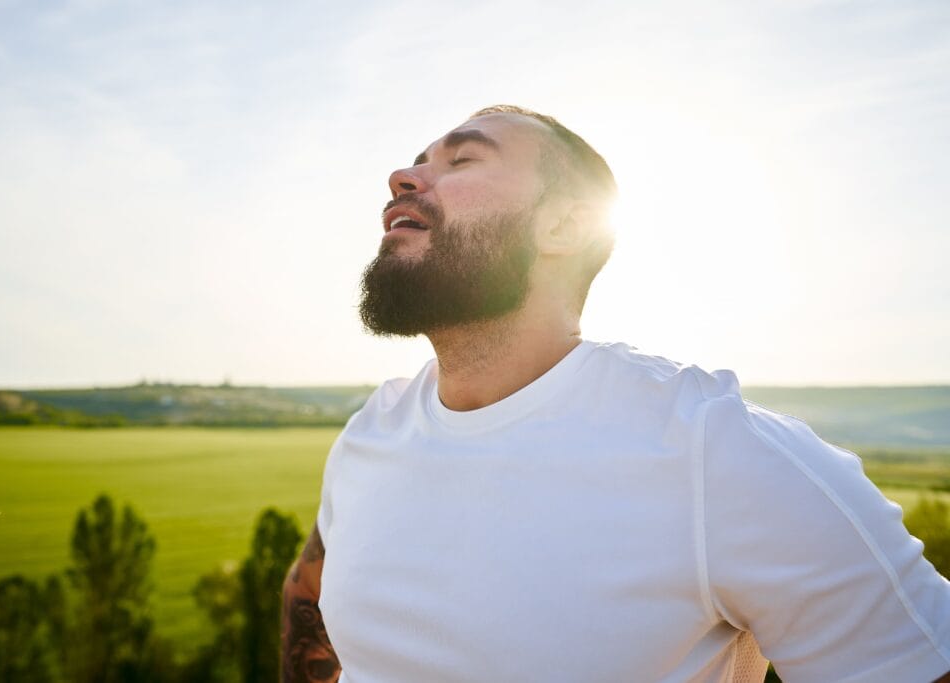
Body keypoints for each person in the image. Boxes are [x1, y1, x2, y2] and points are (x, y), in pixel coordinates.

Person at [281, 105, 950, 683]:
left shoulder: (711, 448)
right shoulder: (372, 430)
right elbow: (309, 604)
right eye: (417, 162)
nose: (405, 177)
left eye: (462, 161)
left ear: (567, 227)